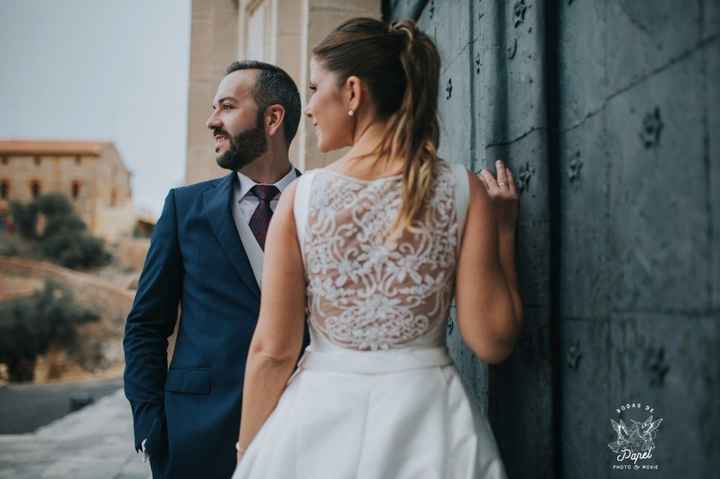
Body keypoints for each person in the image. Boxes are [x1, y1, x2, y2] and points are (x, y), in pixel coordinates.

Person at [231, 17, 522, 479]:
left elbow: (272, 351)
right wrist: (503, 232)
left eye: (313, 88)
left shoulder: (300, 200)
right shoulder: (462, 190)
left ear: (351, 93)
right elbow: (492, 340)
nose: (308, 108)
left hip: (317, 424)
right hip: (431, 426)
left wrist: (249, 451)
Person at [122, 60, 307, 479]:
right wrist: (151, 424)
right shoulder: (183, 208)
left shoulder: (323, 203)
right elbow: (146, 326)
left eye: (226, 107)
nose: (211, 122)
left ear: (272, 118)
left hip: (306, 429)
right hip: (198, 437)